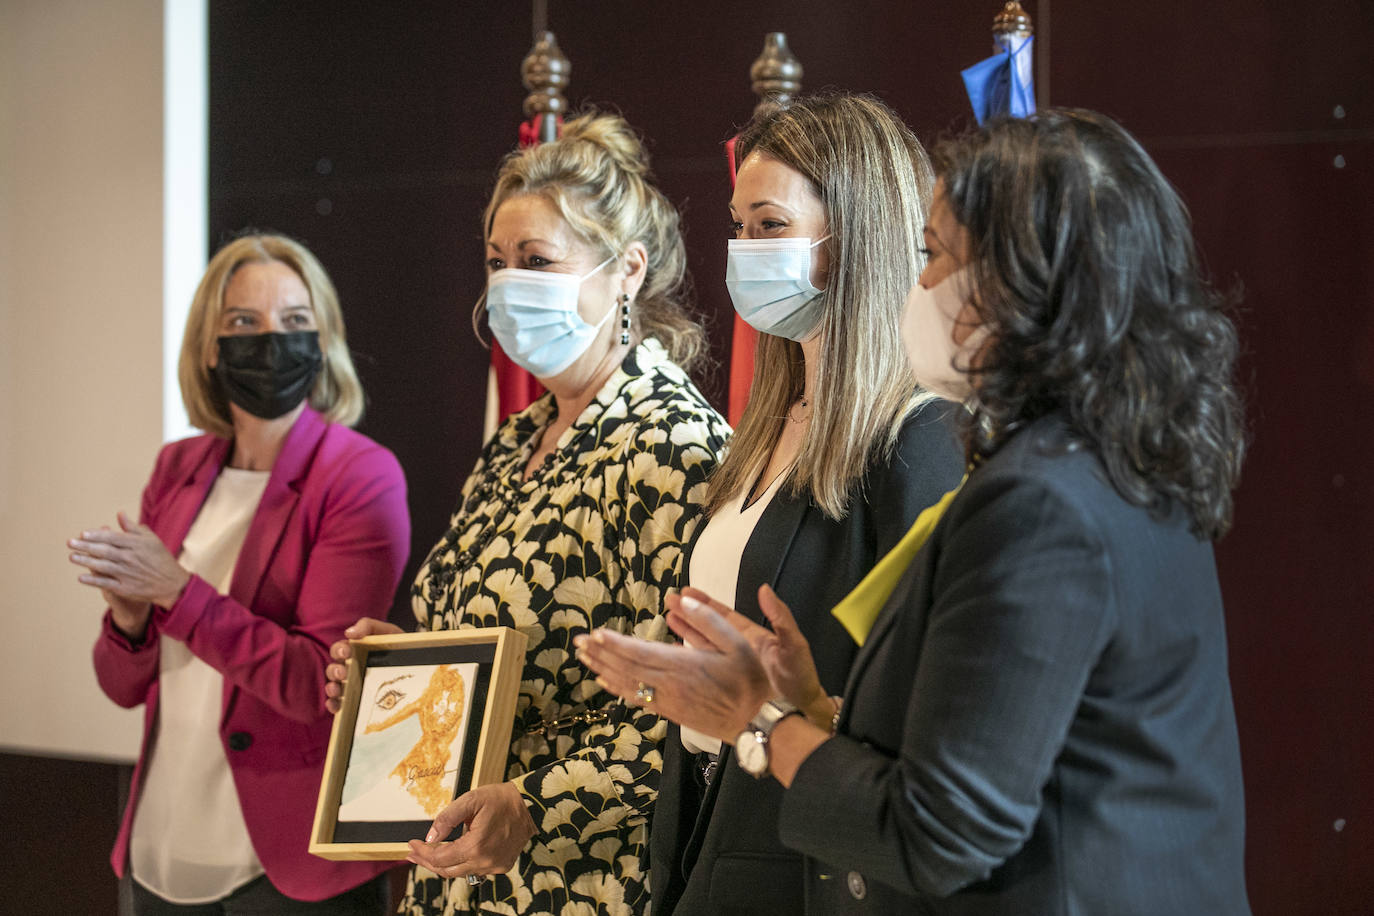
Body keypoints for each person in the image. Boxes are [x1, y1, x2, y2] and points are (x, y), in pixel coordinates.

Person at [576, 109, 1252, 915]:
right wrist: (815, 706)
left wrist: (758, 722)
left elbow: (941, 830)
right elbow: (979, 740)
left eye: (936, 258)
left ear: (1027, 279)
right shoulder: (1119, 462)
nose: (917, 283)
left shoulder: (1040, 502)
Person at [324, 112, 730, 915]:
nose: (509, 285)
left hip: (581, 885)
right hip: (456, 877)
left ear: (627, 271)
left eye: (538, 261)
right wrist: (405, 670)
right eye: (496, 262)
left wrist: (537, 800)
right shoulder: (516, 441)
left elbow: (701, 703)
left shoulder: (675, 444)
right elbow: (499, 652)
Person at [649, 93, 964, 916]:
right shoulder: (761, 428)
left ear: (856, 235)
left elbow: (912, 706)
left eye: (770, 226)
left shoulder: (919, 439)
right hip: (707, 842)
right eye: (738, 226)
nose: (744, 250)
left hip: (812, 869)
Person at [72, 233, 410, 914]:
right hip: (161, 846)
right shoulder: (178, 468)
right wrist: (129, 620)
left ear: (323, 341)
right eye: (243, 323)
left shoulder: (358, 475)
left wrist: (174, 591)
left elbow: (320, 682)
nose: (270, 341)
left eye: (293, 322)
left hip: (291, 864)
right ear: (209, 346)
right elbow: (121, 686)